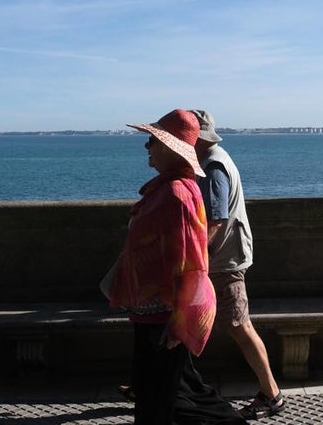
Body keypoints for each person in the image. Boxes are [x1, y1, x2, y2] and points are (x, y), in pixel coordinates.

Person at [105, 108, 244, 425]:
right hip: (155, 314)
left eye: (151, 141)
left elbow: (190, 263)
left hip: (163, 317)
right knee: (177, 394)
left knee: (167, 401)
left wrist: (179, 324)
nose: (147, 148)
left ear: (169, 147)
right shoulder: (169, 188)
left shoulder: (175, 194)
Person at [191, 109, 285, 420]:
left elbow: (215, 218)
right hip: (222, 257)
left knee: (239, 325)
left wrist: (195, 252)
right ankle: (164, 383)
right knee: (187, 323)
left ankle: (272, 394)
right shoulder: (212, 159)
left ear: (197, 138)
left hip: (224, 260)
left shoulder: (213, 165)